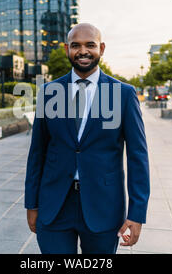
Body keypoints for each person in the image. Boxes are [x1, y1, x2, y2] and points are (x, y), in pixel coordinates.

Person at [25, 23, 150, 254]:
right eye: (76, 45)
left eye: (90, 45)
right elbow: (37, 153)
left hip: (104, 207)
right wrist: (31, 204)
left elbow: (138, 157)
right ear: (67, 50)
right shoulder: (49, 92)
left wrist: (137, 213)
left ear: (101, 48)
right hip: (54, 206)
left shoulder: (123, 94)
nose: (83, 51)